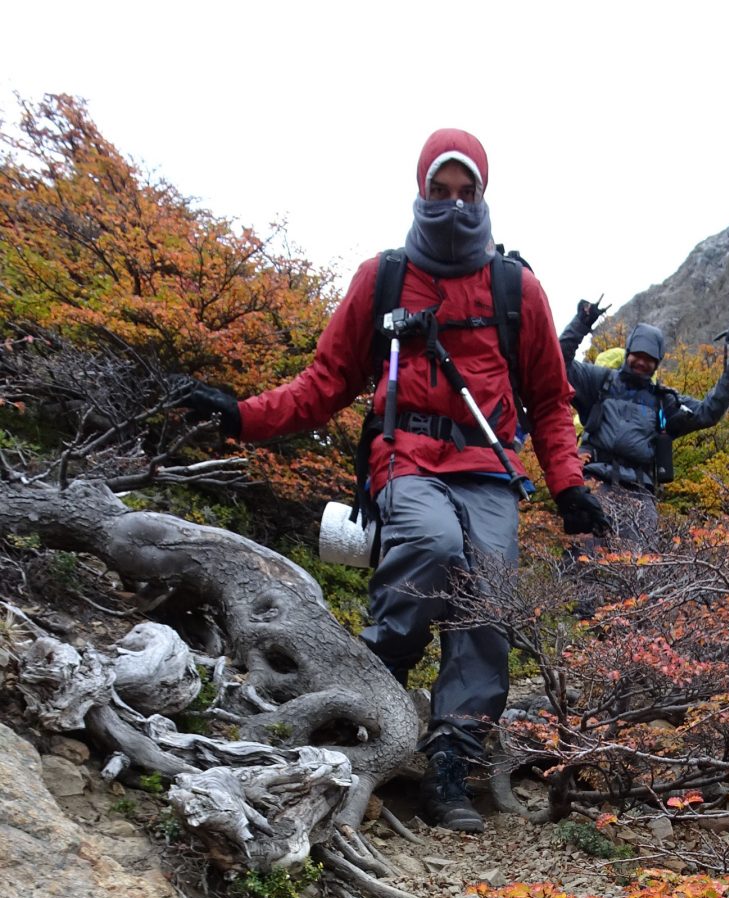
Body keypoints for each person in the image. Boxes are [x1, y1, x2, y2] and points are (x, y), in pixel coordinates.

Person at [182, 129, 608, 832]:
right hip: (405, 457)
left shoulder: (515, 288)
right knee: (431, 547)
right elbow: (325, 383)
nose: (451, 205)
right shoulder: (382, 278)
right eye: (438, 192)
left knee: (487, 601)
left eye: (464, 192)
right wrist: (241, 417)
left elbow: (551, 399)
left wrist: (568, 485)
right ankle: (367, 692)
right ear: (419, 191)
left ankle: (449, 764)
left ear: (483, 194)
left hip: (491, 469)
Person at [559, 306, 729, 546]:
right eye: (638, 355)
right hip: (595, 486)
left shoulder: (664, 401)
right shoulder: (599, 381)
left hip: (640, 495)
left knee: (639, 571)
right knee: (584, 564)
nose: (642, 362)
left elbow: (705, 413)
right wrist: (582, 322)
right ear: (628, 352)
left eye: (650, 359)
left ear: (657, 363)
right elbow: (558, 361)